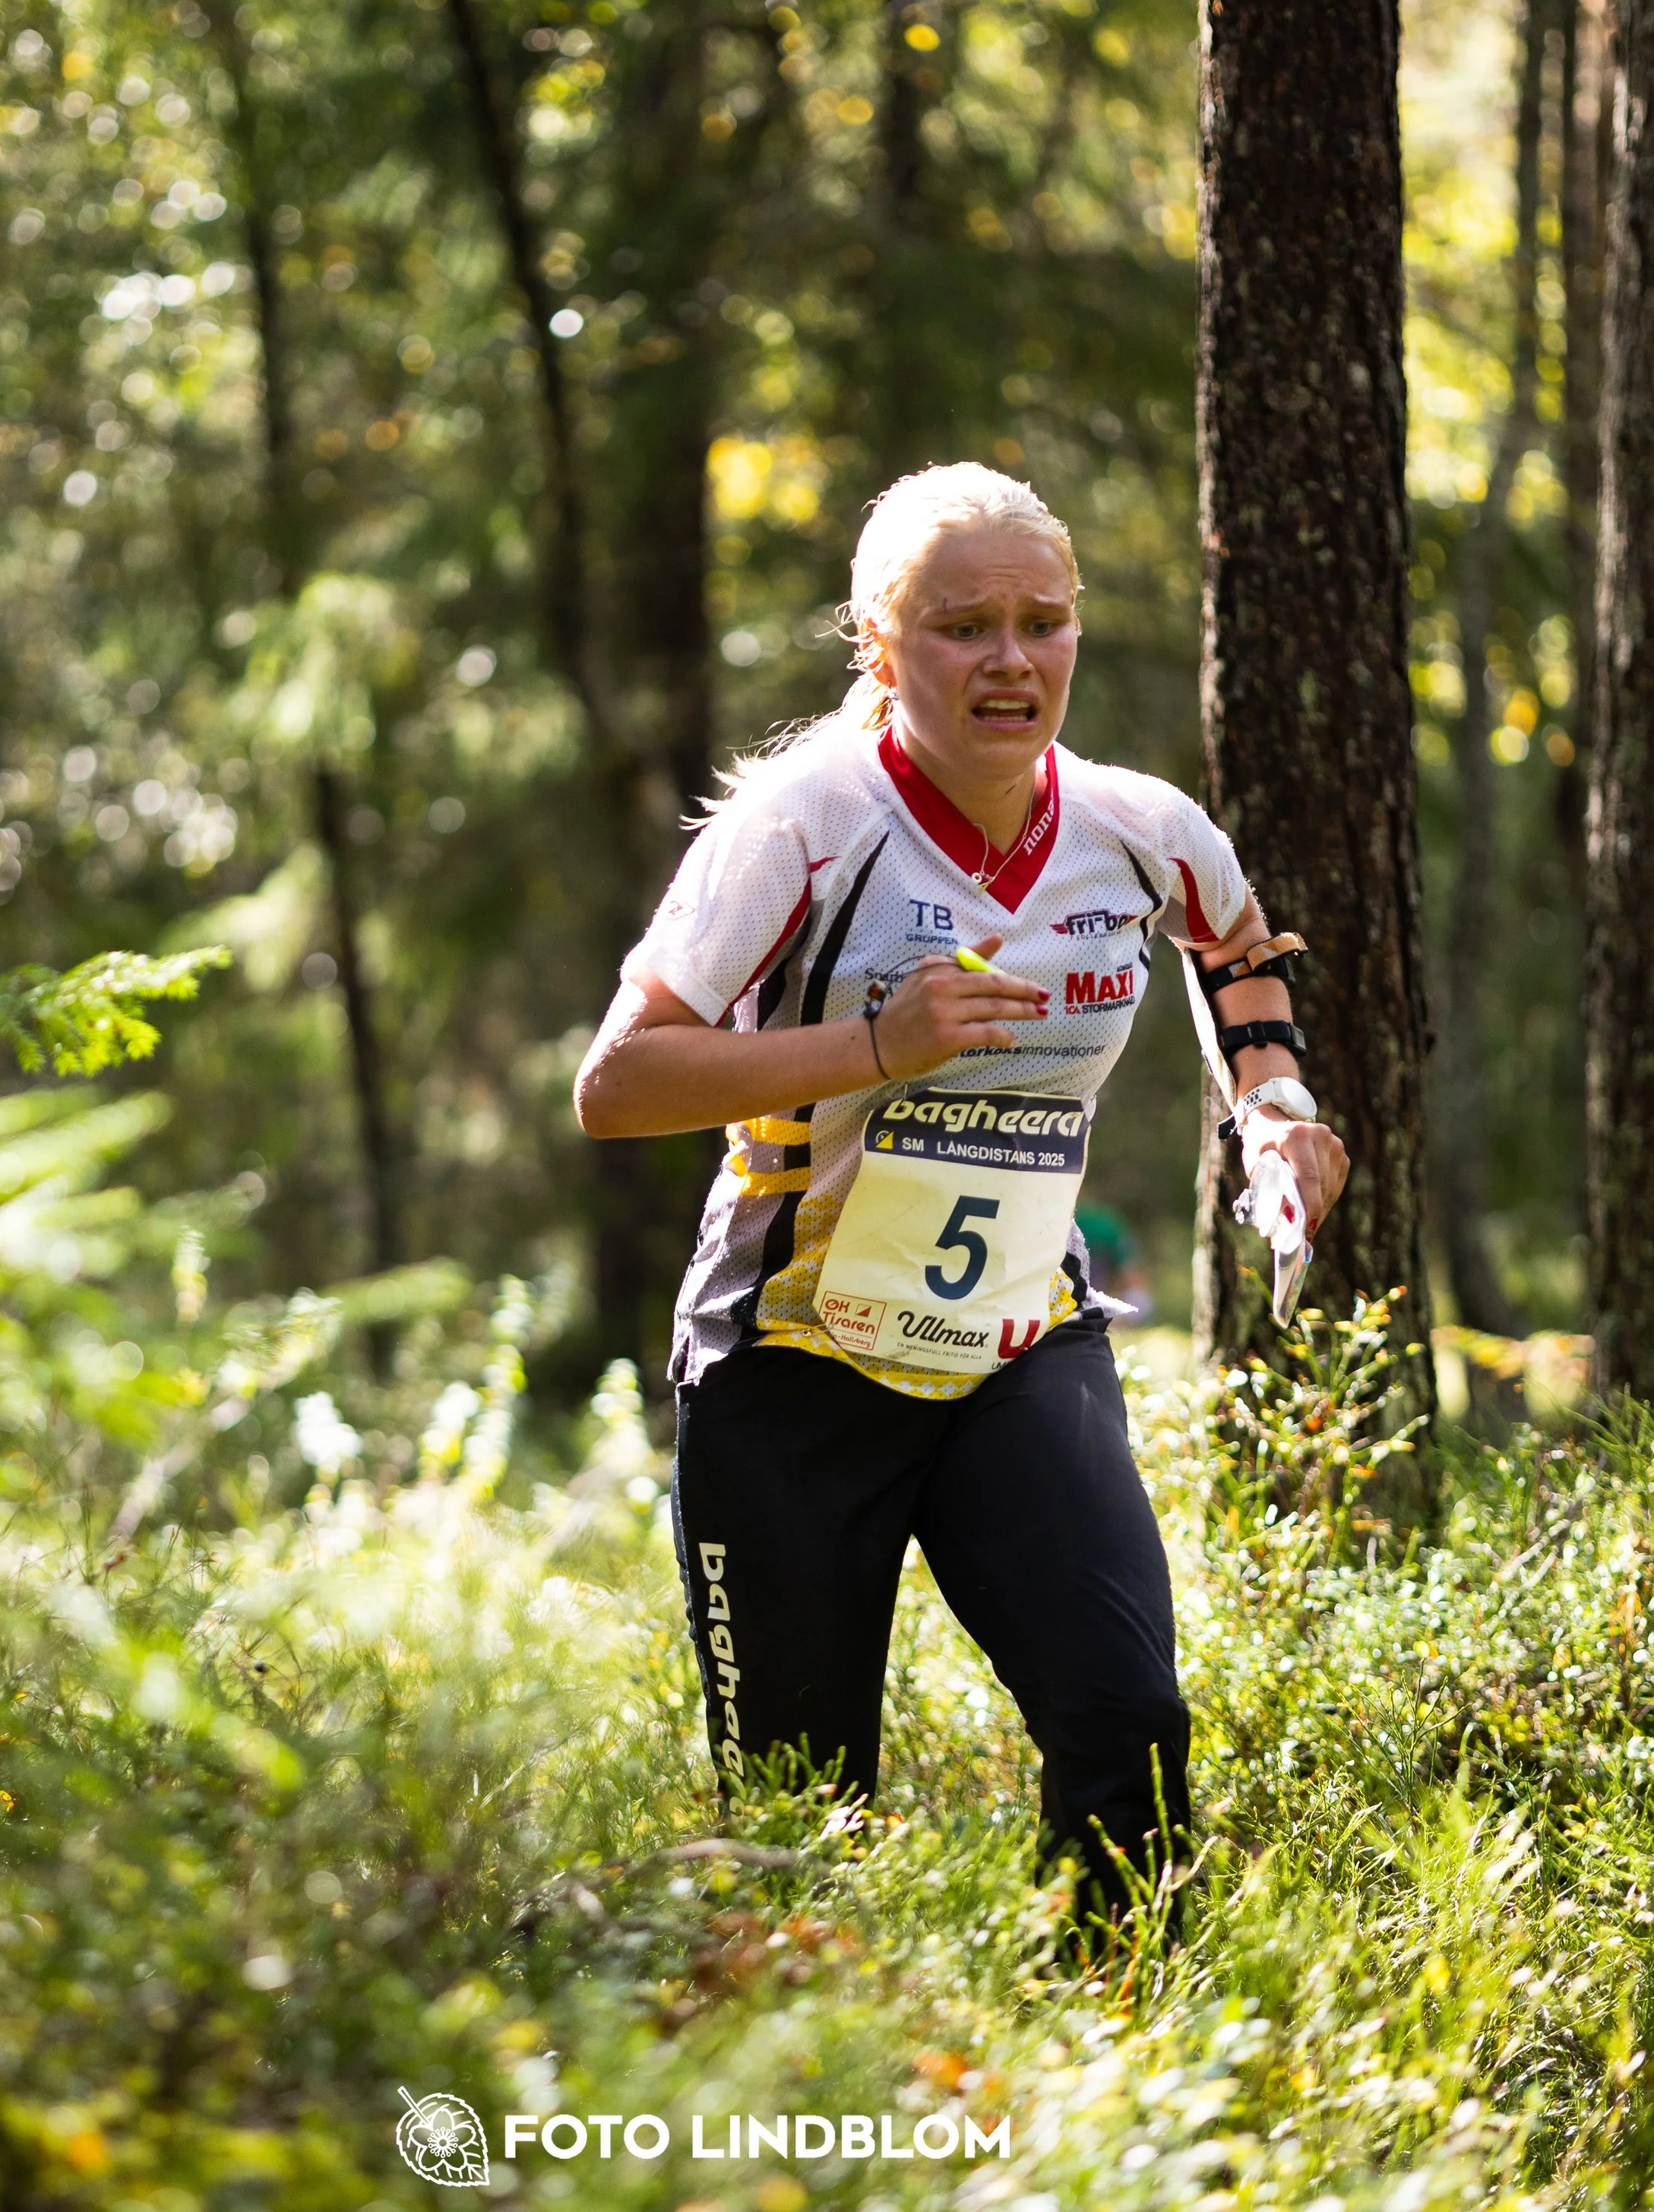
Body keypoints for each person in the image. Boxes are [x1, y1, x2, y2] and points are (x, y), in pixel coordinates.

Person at [574, 463, 1348, 1906]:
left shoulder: (1142, 827)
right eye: (962, 627)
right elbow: (616, 1085)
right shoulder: (802, 827)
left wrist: (1280, 1113)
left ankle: (1117, 2075)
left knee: (1130, 1729)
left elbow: (1237, 957)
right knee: (803, 1824)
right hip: (790, 1364)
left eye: (1041, 623)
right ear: (881, 643)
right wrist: (879, 1042)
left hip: (1014, 1344)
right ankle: (816, 2106)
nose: (1011, 660)